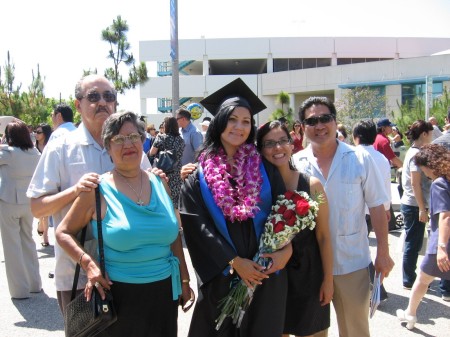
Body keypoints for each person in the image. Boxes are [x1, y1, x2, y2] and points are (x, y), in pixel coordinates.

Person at [56, 111, 191, 336]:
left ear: (142, 141)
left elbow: (174, 236)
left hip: (165, 294)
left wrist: (185, 280)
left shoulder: (160, 183)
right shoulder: (97, 190)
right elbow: (63, 232)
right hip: (118, 298)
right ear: (107, 148)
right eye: (118, 139)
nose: (127, 144)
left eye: (133, 137)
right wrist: (89, 265)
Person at [26, 74, 152, 314]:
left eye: (109, 97)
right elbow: (37, 207)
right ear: (78, 104)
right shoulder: (61, 147)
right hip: (79, 275)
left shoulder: (128, 145)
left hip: (130, 273)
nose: (102, 102)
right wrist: (75, 191)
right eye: (93, 97)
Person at [180, 78, 291, 336]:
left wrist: (285, 250)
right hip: (222, 275)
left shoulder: (265, 169)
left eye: (246, 121)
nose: (239, 127)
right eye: (232, 119)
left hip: (266, 274)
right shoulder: (200, 175)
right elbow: (198, 226)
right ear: (219, 121)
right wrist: (234, 262)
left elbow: (283, 212)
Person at [292, 97, 394, 337]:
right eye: (312, 121)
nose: (319, 126)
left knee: (355, 331)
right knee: (312, 332)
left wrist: (383, 252)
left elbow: (378, 207)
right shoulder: (296, 163)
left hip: (352, 263)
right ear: (302, 126)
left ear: (335, 121)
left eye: (325, 118)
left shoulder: (360, 159)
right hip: (311, 266)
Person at [256, 120, 333, 337]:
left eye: (282, 141)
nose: (277, 148)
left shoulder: (313, 185)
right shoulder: (256, 189)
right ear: (260, 150)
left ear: (292, 144)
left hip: (309, 275)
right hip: (271, 277)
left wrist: (328, 280)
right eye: (269, 143)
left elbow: (324, 236)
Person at [396, 144, 450, 329]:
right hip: (443, 241)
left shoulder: (439, 184)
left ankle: (410, 314)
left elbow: (445, 216)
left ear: (429, 165)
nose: (424, 173)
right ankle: (410, 313)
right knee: (422, 279)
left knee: (422, 280)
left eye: (423, 168)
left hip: (442, 242)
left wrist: (442, 247)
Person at [0, 120, 42, 299]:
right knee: (28, 241)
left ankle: (19, 290)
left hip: (9, 201)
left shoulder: (8, 152)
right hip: (28, 202)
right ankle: (35, 283)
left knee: (12, 246)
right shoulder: (35, 152)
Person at [352, 119, 391, 301]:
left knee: (362, 251)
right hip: (378, 211)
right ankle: (375, 289)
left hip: (360, 211)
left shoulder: (354, 155)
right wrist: (387, 208)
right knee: (365, 249)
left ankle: (374, 290)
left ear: (356, 137)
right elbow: (386, 186)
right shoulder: (381, 158)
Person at [400, 120, 434, 289]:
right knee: (413, 244)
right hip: (414, 205)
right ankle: (409, 279)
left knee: (413, 242)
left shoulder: (414, 151)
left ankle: (409, 277)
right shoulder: (415, 154)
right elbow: (415, 183)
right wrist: (422, 208)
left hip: (414, 204)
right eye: (431, 133)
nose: (432, 137)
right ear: (424, 134)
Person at [149, 116, 185, 207]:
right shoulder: (180, 139)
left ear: (166, 126)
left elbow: (152, 152)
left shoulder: (161, 137)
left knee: (162, 195)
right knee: (175, 198)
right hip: (177, 171)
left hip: (162, 171)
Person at [34, 123, 53, 246]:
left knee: (46, 210)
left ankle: (45, 237)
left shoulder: (50, 147)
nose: (36, 134)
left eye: (39, 132)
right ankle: (41, 223)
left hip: (48, 180)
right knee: (41, 210)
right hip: (35, 181)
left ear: (45, 134)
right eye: (35, 131)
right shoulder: (33, 148)